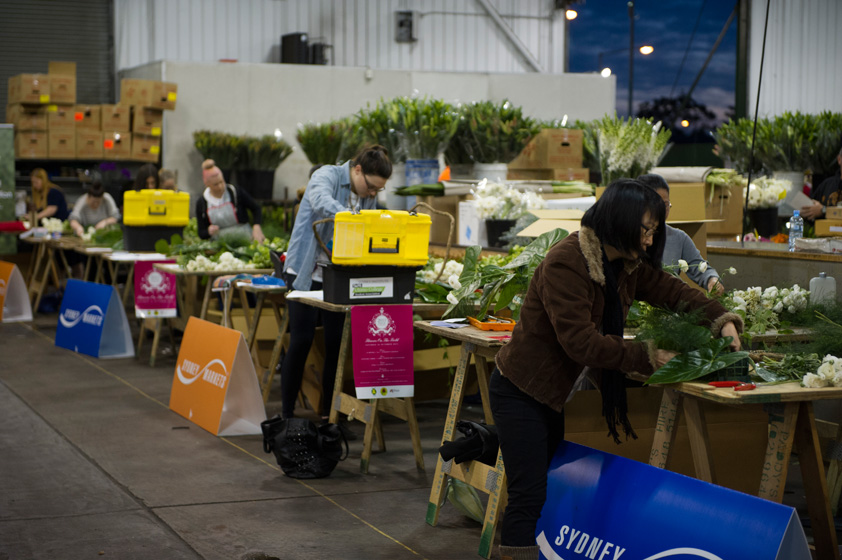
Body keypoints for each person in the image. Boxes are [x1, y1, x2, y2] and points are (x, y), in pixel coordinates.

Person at [489, 179, 742, 560]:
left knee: (538, 484)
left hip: (552, 394)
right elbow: (581, 342)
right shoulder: (566, 262)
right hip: (521, 390)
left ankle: (509, 531)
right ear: (620, 221)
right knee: (529, 493)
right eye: (646, 229)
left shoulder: (624, 265)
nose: (650, 240)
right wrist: (648, 355)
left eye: (654, 230)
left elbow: (672, 290)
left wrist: (722, 319)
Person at [280, 145, 391, 424]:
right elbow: (319, 201)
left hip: (338, 276)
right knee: (302, 340)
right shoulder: (326, 175)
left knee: (336, 345)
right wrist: (352, 217)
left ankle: (330, 417)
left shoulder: (367, 195)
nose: (372, 194)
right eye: (371, 187)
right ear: (357, 170)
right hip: (304, 271)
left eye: (378, 190)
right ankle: (286, 416)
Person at [637, 173, 724, 294]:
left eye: (666, 205)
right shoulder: (630, 236)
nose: (662, 211)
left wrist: (712, 280)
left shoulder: (678, 237)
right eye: (657, 205)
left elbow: (699, 266)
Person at [195, 159, 265, 243]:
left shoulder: (235, 192)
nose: (220, 186)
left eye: (221, 182)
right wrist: (208, 231)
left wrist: (256, 226)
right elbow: (201, 233)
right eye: (215, 184)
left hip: (244, 236)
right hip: (220, 242)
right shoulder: (202, 203)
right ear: (207, 184)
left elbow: (256, 208)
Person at [801, 145, 842, 220]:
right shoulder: (827, 184)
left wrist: (823, 210)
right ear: (839, 159)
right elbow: (811, 208)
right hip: (823, 227)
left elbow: (820, 210)